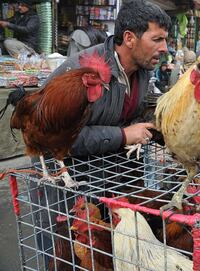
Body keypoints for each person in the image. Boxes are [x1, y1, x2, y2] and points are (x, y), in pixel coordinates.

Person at [29, 0, 171, 268]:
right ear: (129, 38)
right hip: (66, 179)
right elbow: (55, 140)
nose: (165, 48)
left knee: (106, 254)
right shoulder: (83, 70)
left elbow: (133, 110)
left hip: (106, 174)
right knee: (64, 254)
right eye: (157, 39)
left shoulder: (142, 72)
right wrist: (123, 135)